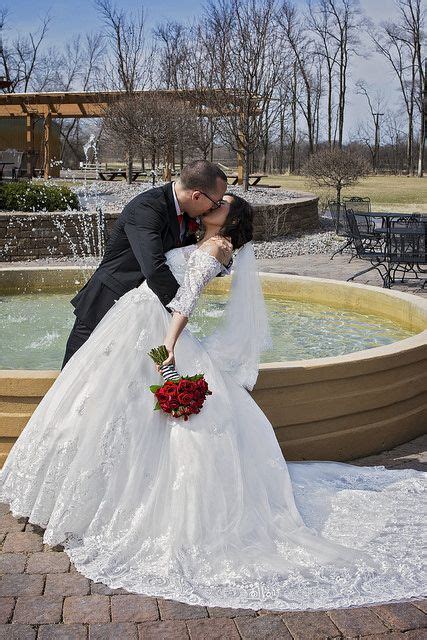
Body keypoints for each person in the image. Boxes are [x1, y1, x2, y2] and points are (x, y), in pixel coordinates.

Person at [0, 193, 425, 612]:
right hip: (133, 313)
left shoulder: (218, 246)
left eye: (222, 204)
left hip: (157, 323)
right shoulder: (200, 236)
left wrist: (169, 344)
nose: (213, 205)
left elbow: (187, 298)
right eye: (215, 199)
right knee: (106, 403)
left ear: (230, 218)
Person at [61, 159, 233, 369]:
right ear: (196, 195)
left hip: (141, 314)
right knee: (74, 376)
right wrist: (180, 310)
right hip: (105, 305)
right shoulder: (148, 207)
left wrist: (219, 257)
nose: (214, 208)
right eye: (215, 202)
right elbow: (154, 268)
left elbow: (191, 260)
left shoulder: (189, 212)